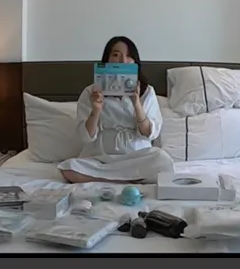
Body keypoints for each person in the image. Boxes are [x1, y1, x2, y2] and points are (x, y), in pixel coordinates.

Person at [58, 36, 175, 184]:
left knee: (163, 161)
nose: (123, 61)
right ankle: (129, 179)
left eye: (129, 56)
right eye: (116, 55)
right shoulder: (91, 92)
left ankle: (106, 179)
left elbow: (150, 134)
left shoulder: (146, 91)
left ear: (135, 62)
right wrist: (96, 110)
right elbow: (85, 137)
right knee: (68, 168)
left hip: (136, 157)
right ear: (106, 60)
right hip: (100, 157)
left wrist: (137, 104)